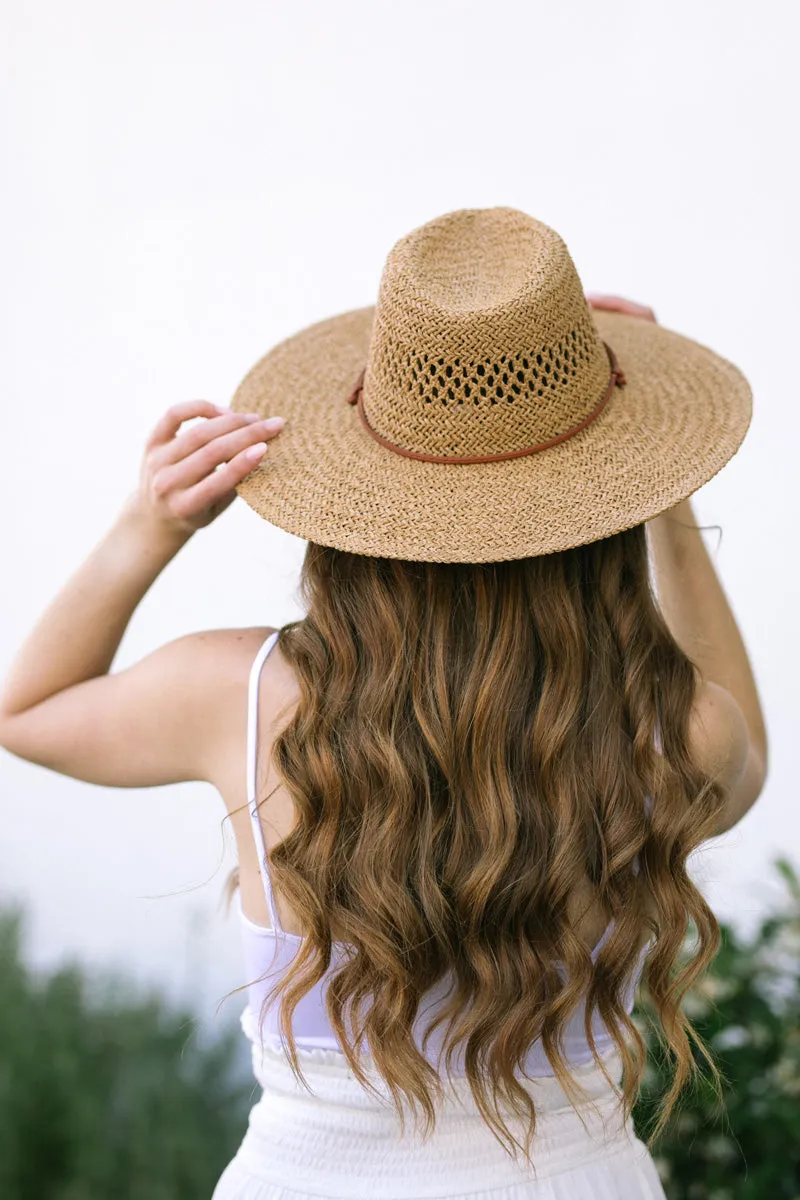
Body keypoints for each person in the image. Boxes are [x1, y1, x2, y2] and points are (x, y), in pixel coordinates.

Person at [0, 208, 768, 1199]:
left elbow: (28, 710)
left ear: (355, 500)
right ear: (604, 507)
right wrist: (658, 497)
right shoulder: (675, 733)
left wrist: (146, 530)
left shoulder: (236, 696)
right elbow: (738, 761)